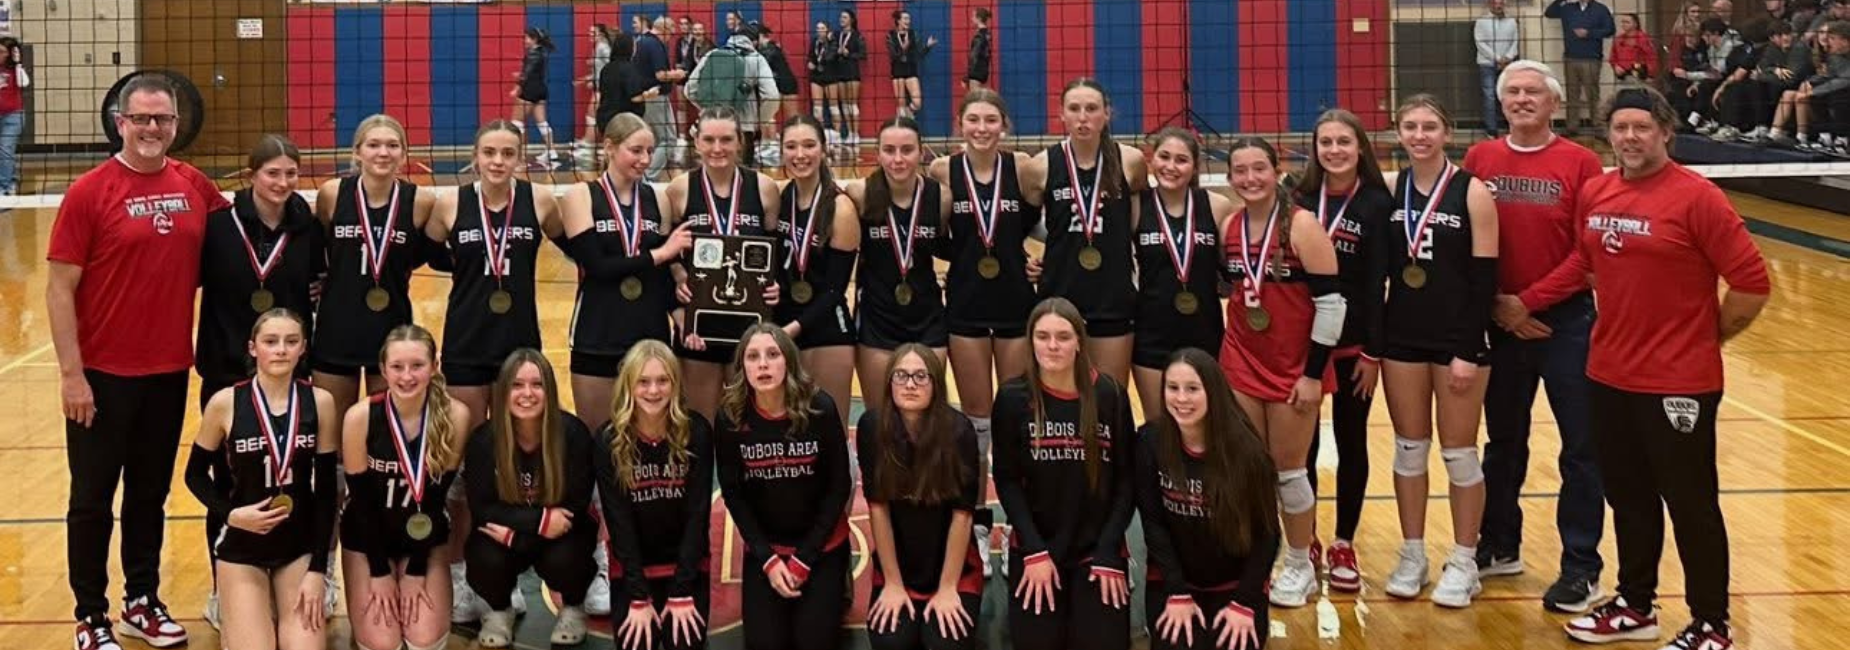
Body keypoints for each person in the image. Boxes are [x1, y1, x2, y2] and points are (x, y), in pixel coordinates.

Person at [1525, 86, 1770, 650]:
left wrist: (1708, 337)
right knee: (1629, 497)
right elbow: (1585, 266)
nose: (1630, 137)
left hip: (1679, 382)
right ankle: (1636, 604)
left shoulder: (1697, 198)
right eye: (1621, 128)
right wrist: (1527, 299)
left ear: (1665, 132)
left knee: (1691, 504)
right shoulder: (1597, 190)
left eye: (1642, 127)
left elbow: (1752, 284)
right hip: (1609, 374)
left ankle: (1712, 623)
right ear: (1608, 134)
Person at [48, 73, 231, 650]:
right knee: (93, 499)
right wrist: (72, 375)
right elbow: (58, 289)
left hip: (169, 370)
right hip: (101, 377)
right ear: (120, 121)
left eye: (164, 120)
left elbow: (243, 247)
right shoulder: (90, 192)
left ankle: (142, 601)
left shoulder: (195, 186)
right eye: (142, 119)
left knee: (150, 494)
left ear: (177, 125)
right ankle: (90, 615)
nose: (153, 129)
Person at [1462, 60, 1610, 614]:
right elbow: (1471, 239)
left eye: (1533, 92)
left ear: (1553, 103)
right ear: (1501, 104)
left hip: (1566, 321)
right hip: (1500, 322)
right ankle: (1499, 544)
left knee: (1581, 448)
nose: (1522, 99)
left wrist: (1529, 302)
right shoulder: (1480, 159)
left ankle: (1581, 567)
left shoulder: (1582, 161)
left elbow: (1587, 250)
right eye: (1513, 92)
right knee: (1502, 444)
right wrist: (1503, 307)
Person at [195, 135, 331, 627]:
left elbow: (318, 286)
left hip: (288, 376)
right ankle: (223, 582)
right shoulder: (216, 230)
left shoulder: (310, 229)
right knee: (229, 480)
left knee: (301, 474)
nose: (282, 183)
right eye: (272, 173)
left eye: (291, 174)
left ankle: (311, 568)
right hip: (227, 373)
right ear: (252, 174)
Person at [1379, 94, 1500, 609]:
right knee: (1409, 449)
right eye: (1410, 126)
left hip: (1458, 342)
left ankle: (1465, 559)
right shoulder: (1389, 187)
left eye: (1430, 126)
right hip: (1401, 340)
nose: (1420, 135)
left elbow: (1484, 279)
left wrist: (1468, 350)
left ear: (1447, 132)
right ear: (1398, 133)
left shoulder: (1472, 191)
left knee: (1459, 453)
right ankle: (1412, 554)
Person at [1214, 137, 1344, 609]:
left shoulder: (1303, 226)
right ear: (1229, 178)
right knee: (1248, 468)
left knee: (1289, 471)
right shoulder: (1230, 225)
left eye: (1258, 169)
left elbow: (1332, 306)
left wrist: (1312, 375)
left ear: (1277, 169)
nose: (1250, 179)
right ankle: (1259, 556)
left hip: (1294, 369)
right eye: (1240, 172)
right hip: (1242, 360)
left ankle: (1299, 563)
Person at [184, 309, 339, 650]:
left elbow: (327, 491)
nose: (281, 350)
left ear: (303, 349)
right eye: (271, 342)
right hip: (242, 548)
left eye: (291, 341)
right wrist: (230, 514)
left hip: (297, 547)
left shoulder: (320, 402)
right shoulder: (225, 403)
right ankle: (237, 609)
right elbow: (193, 475)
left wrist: (318, 570)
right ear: (253, 349)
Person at [992, 298, 1136, 650]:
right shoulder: (1012, 398)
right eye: (1042, 336)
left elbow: (1127, 480)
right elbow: (1007, 481)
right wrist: (1034, 550)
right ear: (1031, 341)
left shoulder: (1110, 395)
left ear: (1079, 342)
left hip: (1095, 547)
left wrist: (1108, 552)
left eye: (1062, 336)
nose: (1052, 346)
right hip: (1038, 544)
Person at [1291, 109, 1393, 594]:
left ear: (1360, 148)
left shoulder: (1376, 203)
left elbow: (1377, 284)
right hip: (1306, 345)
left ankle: (1344, 542)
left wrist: (1374, 353)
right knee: (1301, 447)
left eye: (1343, 142)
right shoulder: (1299, 197)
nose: (1333, 150)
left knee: (1353, 443)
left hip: (1355, 346)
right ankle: (1305, 537)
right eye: (1325, 142)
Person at [713, 324, 852, 650]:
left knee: (813, 642)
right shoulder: (730, 417)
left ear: (789, 361)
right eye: (753, 356)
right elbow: (733, 493)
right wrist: (768, 558)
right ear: (742, 366)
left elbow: (839, 486)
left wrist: (805, 558)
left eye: (773, 355)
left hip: (822, 546)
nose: (763, 364)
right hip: (768, 551)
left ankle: (838, 580)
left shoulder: (820, 408)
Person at [339, 324, 472, 650]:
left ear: (434, 366)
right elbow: (361, 503)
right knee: (382, 642)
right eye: (397, 367)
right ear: (383, 369)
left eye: (417, 365)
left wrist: (416, 569)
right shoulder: (360, 418)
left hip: (424, 539)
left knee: (424, 638)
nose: (407, 376)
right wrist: (380, 571)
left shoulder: (456, 416)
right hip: (368, 538)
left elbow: (434, 501)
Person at [424, 120, 564, 428]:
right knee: (467, 439)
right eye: (489, 152)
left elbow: (573, 245)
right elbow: (432, 255)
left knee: (517, 437)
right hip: (466, 337)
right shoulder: (450, 203)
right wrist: (470, 266)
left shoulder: (540, 200)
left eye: (508, 153)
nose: (498, 161)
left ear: (519, 157)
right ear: (475, 155)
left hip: (519, 336)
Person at [1137, 349, 1280, 650]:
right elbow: (1154, 524)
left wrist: (1244, 602)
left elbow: (1267, 535)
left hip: (1235, 585)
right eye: (1172, 388)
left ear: (1213, 391)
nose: (1181, 399)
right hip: (1174, 582)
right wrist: (1175, 591)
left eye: (1192, 389)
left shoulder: (1248, 453)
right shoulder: (1150, 442)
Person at [557, 113, 690, 433]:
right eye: (636, 150)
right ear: (609, 147)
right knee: (597, 436)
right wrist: (661, 254)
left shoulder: (659, 198)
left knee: (651, 434)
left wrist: (680, 310)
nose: (645, 159)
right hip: (597, 330)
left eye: (650, 151)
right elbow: (598, 266)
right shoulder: (580, 196)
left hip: (649, 330)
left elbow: (659, 275)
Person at [463, 350, 598, 647]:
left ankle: (573, 606)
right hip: (520, 532)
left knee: (568, 557)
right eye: (517, 385)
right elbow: (482, 507)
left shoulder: (573, 434)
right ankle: (500, 610)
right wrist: (539, 521)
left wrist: (519, 536)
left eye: (537, 384)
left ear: (549, 389)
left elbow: (575, 506)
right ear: (503, 392)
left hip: (558, 536)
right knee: (484, 555)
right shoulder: (484, 440)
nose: (527, 394)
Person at [312, 114, 438, 435]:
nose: (383, 152)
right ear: (357, 152)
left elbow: (425, 253)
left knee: (386, 432)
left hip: (391, 328)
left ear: (404, 154)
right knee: (333, 433)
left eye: (393, 145)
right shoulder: (332, 194)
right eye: (374, 145)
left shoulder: (420, 202)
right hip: (336, 327)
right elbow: (319, 250)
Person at [1022, 78, 1149, 385]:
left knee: (1111, 396)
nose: (1082, 117)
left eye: (1091, 109)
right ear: (1061, 115)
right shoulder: (1041, 166)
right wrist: (1026, 259)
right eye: (1074, 109)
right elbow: (1017, 226)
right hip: (1060, 297)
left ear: (1106, 114)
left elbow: (1139, 225)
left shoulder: (1130, 161)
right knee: (1061, 396)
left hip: (1113, 297)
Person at [858, 344, 984, 650]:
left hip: (953, 567)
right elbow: (878, 509)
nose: (910, 384)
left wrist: (947, 587)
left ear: (936, 384)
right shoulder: (872, 427)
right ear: (889, 382)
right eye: (901, 376)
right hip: (899, 564)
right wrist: (893, 583)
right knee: (892, 643)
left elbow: (963, 515)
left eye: (920, 376)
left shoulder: (959, 431)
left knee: (945, 644)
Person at [594, 341, 715, 650]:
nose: (653, 390)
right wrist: (637, 595)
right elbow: (618, 523)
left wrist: (681, 590)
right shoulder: (609, 440)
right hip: (633, 567)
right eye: (643, 382)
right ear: (629, 386)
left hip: (685, 566)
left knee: (684, 643)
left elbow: (697, 516)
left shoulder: (696, 432)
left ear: (675, 384)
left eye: (663, 380)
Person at [666, 106, 782, 422]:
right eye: (709, 139)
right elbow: (667, 257)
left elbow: (776, 257)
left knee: (746, 423)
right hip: (697, 328)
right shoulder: (679, 189)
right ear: (697, 142)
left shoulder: (765, 189)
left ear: (740, 142)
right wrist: (678, 278)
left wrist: (775, 286)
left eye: (726, 139)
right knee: (699, 423)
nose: (718, 148)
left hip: (750, 328)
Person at [846, 116, 952, 410]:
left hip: (927, 316)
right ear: (877, 153)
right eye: (889, 150)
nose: (898, 159)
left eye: (907, 150)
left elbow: (947, 245)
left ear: (921, 152)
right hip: (877, 318)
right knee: (879, 417)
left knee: (928, 412)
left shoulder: (940, 197)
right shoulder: (860, 195)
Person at [1131, 128, 1233, 419]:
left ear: (1195, 166)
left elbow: (1236, 264)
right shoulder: (1136, 206)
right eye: (1164, 157)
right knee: (1158, 429)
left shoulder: (1217, 206)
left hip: (1205, 332)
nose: (1171, 167)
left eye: (1181, 160)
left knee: (1207, 426)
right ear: (1151, 160)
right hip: (1151, 335)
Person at [774, 114, 860, 426]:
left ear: (823, 150)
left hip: (827, 330)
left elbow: (836, 290)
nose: (800, 155)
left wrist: (790, 330)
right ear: (782, 151)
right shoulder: (780, 198)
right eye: (791, 146)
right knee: (789, 430)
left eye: (809, 145)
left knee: (830, 429)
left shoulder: (841, 207)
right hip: (783, 326)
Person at [1545, 0, 1616, 135]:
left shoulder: (1600, 9)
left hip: (1591, 58)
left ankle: (1598, 126)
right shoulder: (1568, 8)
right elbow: (1549, 13)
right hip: (1570, 57)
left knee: (1592, 94)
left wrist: (1589, 33)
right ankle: (1571, 127)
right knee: (1572, 94)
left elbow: (1610, 30)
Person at [511, 27, 561, 168]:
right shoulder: (541, 53)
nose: (524, 40)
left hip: (529, 91)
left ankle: (520, 157)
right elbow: (531, 72)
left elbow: (527, 74)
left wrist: (517, 87)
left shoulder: (533, 54)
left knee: (517, 122)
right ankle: (552, 151)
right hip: (541, 90)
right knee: (541, 122)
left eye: (526, 37)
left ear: (534, 39)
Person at [1475, 0, 1520, 137]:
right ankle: (1491, 129)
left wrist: (1507, 57)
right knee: (1489, 96)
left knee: (1509, 95)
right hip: (1487, 63)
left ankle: (1511, 126)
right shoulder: (1481, 22)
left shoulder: (1511, 22)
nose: (1499, 6)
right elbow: (1480, 43)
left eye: (1501, 3)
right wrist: (1497, 58)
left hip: (1508, 64)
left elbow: (1515, 41)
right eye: (1495, 3)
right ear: (1490, 5)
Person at [888, 10, 938, 118]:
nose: (908, 21)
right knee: (900, 105)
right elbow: (893, 56)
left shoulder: (913, 34)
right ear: (898, 21)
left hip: (911, 70)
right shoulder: (891, 35)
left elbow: (919, 55)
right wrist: (903, 48)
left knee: (917, 103)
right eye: (905, 18)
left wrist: (928, 46)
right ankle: (904, 126)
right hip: (897, 71)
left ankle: (908, 114)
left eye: (909, 19)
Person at [832, 10, 868, 145]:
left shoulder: (857, 36)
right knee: (845, 104)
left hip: (853, 72)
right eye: (841, 16)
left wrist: (849, 53)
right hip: (839, 72)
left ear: (851, 20)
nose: (841, 19)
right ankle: (849, 132)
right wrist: (837, 52)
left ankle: (856, 133)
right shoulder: (836, 35)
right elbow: (831, 52)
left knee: (852, 104)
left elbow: (863, 55)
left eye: (844, 17)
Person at [0, 35, 27, 195]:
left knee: (5, 149)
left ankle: (5, 186)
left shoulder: (15, 70)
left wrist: (18, 64)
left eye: (2, 52)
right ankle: (9, 177)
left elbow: (23, 83)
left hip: (12, 116)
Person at [1610, 14, 1663, 86]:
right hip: (1622, 77)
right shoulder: (1618, 39)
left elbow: (1651, 57)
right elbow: (1613, 57)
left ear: (1635, 24)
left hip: (1640, 75)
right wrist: (1616, 66)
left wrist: (1650, 75)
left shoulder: (1643, 39)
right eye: (1623, 22)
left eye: (1627, 22)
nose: (1624, 24)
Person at [965, 8, 992, 91]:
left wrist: (968, 75)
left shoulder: (980, 35)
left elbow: (974, 55)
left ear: (979, 19)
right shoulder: (987, 33)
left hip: (976, 71)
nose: (972, 18)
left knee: (975, 98)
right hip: (984, 69)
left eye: (973, 16)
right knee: (977, 96)